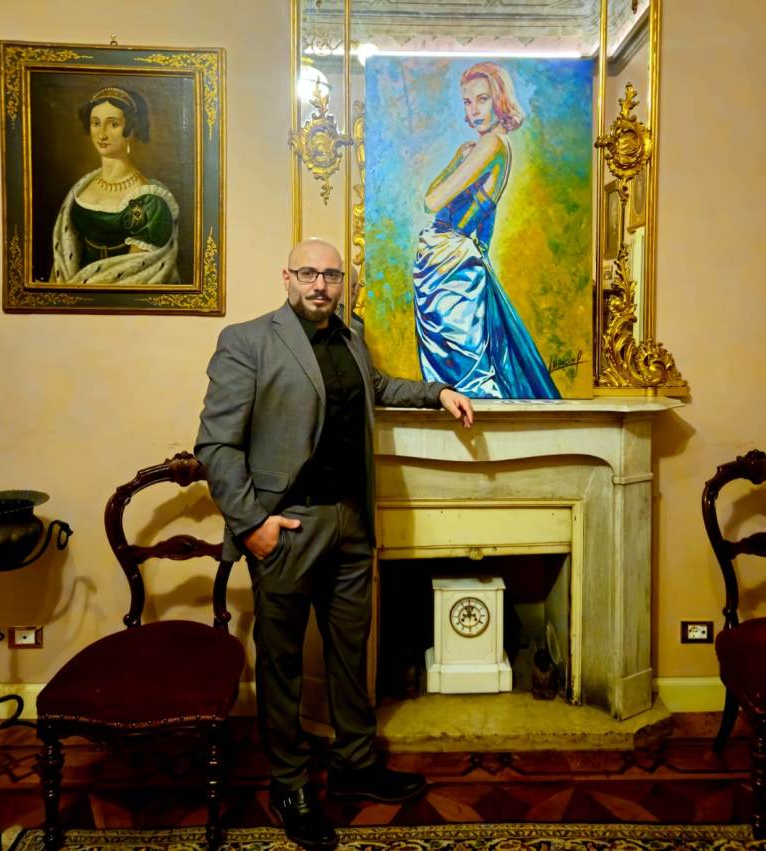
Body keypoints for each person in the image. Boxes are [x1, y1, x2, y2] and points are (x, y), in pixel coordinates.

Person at [195, 237, 473, 851]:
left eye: (330, 275)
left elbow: (377, 387)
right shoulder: (248, 341)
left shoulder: (351, 337)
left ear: (341, 282)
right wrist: (252, 524)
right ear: (286, 277)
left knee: (351, 653)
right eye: (308, 273)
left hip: (351, 523)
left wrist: (437, 393)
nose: (320, 284)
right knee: (283, 662)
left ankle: (354, 763)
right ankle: (290, 784)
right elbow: (216, 445)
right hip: (287, 527)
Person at [413, 62, 560, 400]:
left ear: (500, 100)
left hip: (450, 261)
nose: (474, 110)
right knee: (460, 362)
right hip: (452, 259)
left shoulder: (491, 145)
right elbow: (485, 224)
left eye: (482, 99)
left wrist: (456, 160)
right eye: (467, 102)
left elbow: (432, 200)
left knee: (462, 370)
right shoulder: (495, 147)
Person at [51, 86, 179, 285]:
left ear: (131, 129)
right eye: (95, 123)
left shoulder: (149, 202)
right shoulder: (81, 188)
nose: (101, 134)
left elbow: (135, 276)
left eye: (113, 124)